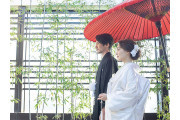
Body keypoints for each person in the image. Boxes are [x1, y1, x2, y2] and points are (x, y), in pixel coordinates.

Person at [98, 39, 150, 120]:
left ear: (127, 52)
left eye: (118, 49)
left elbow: (131, 94)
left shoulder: (130, 69)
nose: (116, 52)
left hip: (125, 114)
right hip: (120, 112)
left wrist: (109, 97)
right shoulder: (126, 69)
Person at [92, 33, 118, 120]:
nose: (96, 46)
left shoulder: (109, 60)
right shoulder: (106, 59)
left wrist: (103, 108)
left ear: (107, 45)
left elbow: (108, 83)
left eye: (98, 43)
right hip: (101, 100)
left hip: (104, 103)